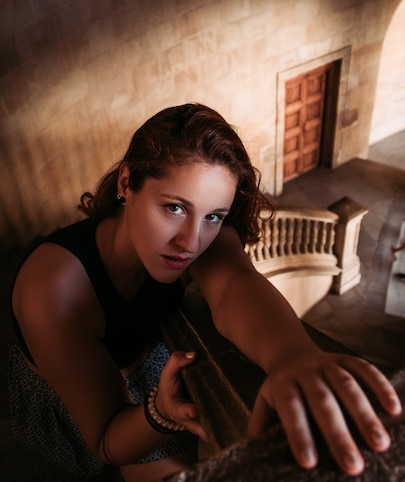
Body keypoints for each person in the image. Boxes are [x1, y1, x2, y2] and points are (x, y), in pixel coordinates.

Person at [8, 103, 402, 482]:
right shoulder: (54, 290)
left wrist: (293, 356)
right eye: (175, 208)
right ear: (127, 183)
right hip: (62, 412)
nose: (191, 242)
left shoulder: (195, 236)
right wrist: (159, 414)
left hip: (148, 366)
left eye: (213, 216)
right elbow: (105, 439)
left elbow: (235, 285)